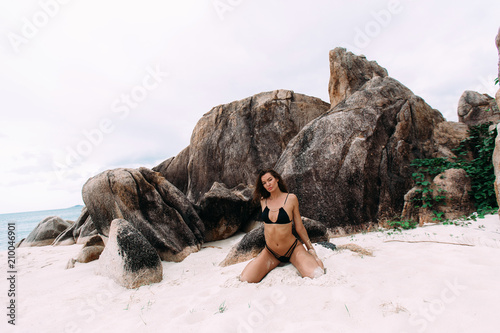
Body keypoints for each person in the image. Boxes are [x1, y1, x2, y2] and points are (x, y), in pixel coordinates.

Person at [240, 169, 324, 283]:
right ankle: (261, 261)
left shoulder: (291, 198)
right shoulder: (263, 201)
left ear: (277, 179)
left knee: (316, 274)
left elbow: (299, 227)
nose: (268, 184)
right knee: (246, 279)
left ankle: (310, 259)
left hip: (292, 249)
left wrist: (311, 249)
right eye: (264, 183)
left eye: (270, 180)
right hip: (271, 252)